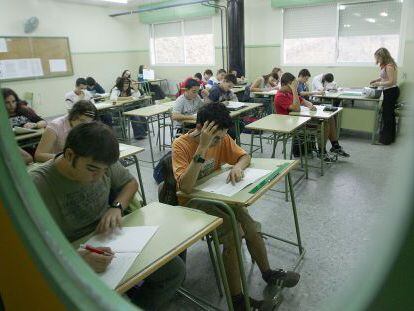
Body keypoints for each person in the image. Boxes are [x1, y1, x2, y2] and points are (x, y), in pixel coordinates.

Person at [30, 122, 185, 310]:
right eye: (92, 169)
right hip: (71, 253)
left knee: (175, 270)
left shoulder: (102, 163)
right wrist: (76, 259)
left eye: (104, 171)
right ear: (69, 155)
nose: (99, 177)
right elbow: (29, 247)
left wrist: (117, 207)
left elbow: (130, 183)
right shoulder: (37, 184)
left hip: (111, 239)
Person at [172, 103, 300, 310]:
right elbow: (186, 188)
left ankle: (268, 274)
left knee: (250, 226)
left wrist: (238, 167)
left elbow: (244, 156)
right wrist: (203, 147)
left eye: (221, 137)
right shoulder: (181, 145)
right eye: (214, 138)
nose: (219, 142)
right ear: (199, 128)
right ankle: (238, 300)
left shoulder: (222, 137)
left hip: (218, 195)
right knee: (232, 233)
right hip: (194, 203)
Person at [275, 73, 350, 159]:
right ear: (284, 84)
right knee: (324, 124)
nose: (294, 87)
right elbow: (296, 109)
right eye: (292, 85)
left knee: (331, 119)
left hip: (297, 120)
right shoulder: (280, 96)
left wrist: (309, 104)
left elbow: (302, 100)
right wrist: (294, 90)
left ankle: (335, 146)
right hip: (290, 126)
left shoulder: (288, 93)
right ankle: (322, 152)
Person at [370, 47, 399, 145]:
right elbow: (384, 77)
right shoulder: (385, 65)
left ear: (383, 56)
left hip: (391, 92)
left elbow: (391, 81)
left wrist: (379, 84)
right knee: (387, 115)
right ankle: (388, 138)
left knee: (387, 116)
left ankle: (386, 140)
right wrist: (376, 80)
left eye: (378, 58)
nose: (377, 60)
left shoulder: (389, 66)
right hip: (388, 91)